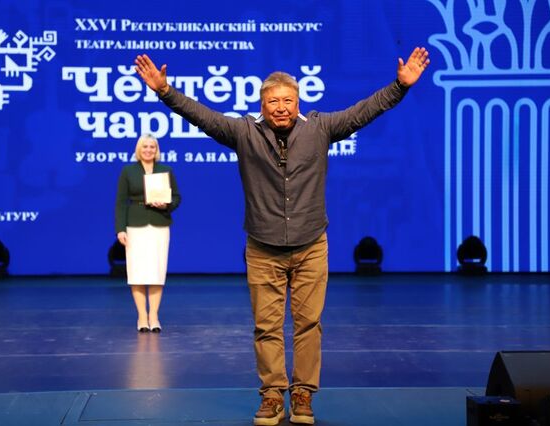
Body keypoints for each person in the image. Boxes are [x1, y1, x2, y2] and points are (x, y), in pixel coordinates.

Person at [134, 47, 429, 425]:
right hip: (263, 248)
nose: (281, 107)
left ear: (298, 102)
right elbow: (201, 116)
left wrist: (400, 87)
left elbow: (364, 111)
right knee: (267, 327)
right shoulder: (243, 132)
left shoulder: (321, 128)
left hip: (311, 245)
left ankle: (303, 395)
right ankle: (273, 395)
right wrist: (164, 91)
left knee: (308, 325)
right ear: (263, 105)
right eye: (273, 101)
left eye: (287, 100)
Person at [115, 134, 181, 333]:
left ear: (156, 150)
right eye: (145, 146)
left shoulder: (166, 170)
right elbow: (120, 202)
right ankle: (142, 316)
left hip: (159, 225)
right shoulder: (128, 171)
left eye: (152, 147)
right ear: (139, 149)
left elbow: (177, 197)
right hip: (135, 226)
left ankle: (154, 315)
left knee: (156, 272)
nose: (148, 150)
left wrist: (166, 205)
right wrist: (120, 229)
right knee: (137, 272)